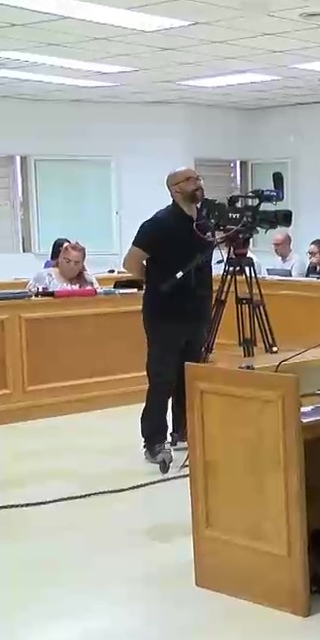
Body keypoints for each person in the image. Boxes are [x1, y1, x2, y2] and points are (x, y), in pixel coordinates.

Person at [122, 167, 215, 467]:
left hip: (197, 310)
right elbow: (131, 263)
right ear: (175, 189)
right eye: (190, 180)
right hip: (165, 312)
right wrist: (157, 282)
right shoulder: (158, 224)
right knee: (163, 378)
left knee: (190, 375)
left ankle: (183, 431)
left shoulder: (205, 222)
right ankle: (154, 441)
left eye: (198, 178)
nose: (197, 183)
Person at [27, 240, 101, 292]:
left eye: (76, 263)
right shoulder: (44, 277)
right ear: (60, 259)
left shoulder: (89, 280)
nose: (71, 266)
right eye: (67, 261)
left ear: (82, 264)